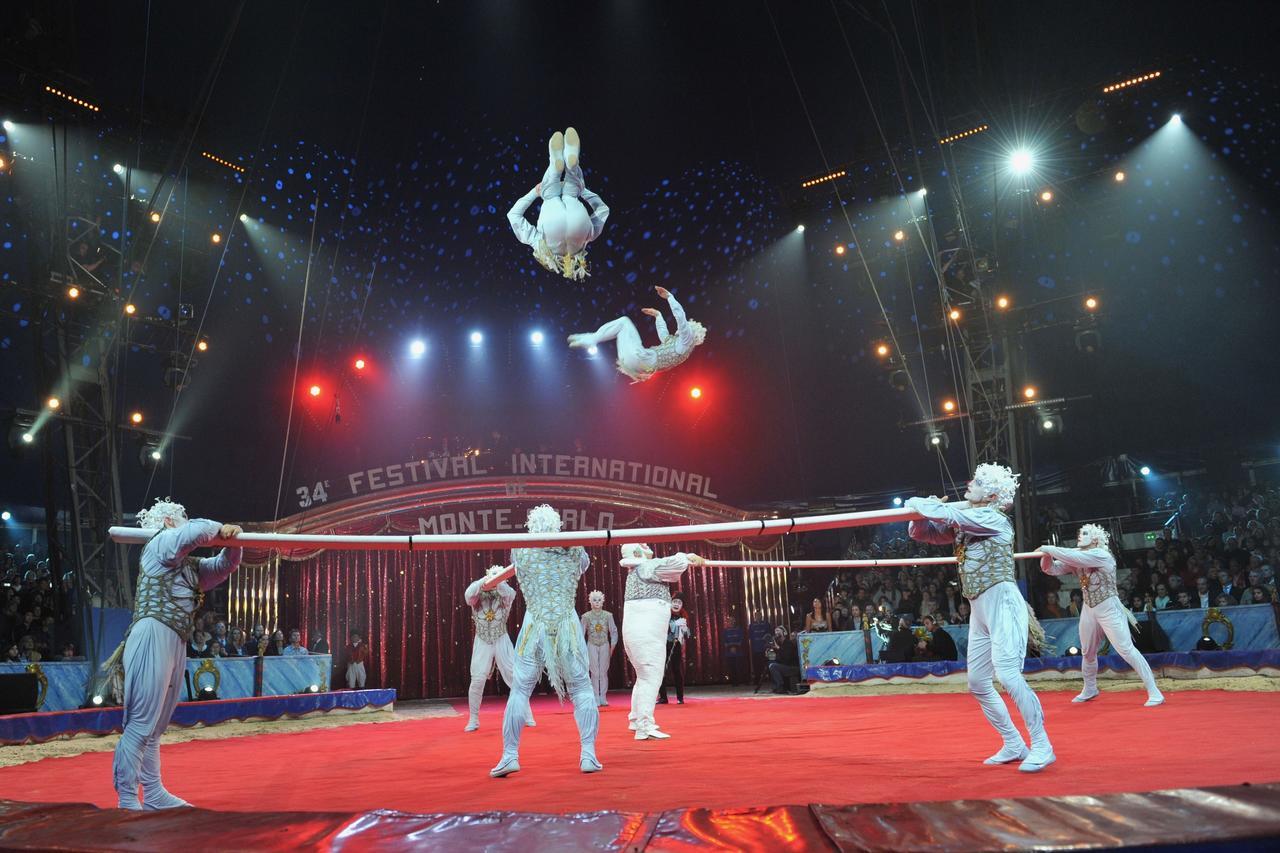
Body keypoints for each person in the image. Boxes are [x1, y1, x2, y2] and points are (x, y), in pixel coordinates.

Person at [906, 463, 1055, 773]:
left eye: (975, 482)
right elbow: (925, 533)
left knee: (1009, 676)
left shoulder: (991, 517)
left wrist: (926, 505)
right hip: (979, 608)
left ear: (989, 493)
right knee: (977, 681)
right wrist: (917, 514)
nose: (968, 483)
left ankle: (1042, 744)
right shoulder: (967, 520)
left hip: (1003, 602)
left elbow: (952, 516)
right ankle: (1013, 742)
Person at [110, 498, 243, 809]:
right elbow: (193, 533)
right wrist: (218, 528)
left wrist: (234, 543)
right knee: (141, 723)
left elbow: (223, 567)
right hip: (152, 632)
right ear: (169, 522)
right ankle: (127, 798)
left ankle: (154, 793)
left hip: (175, 639)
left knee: (156, 726)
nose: (187, 521)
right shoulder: (161, 545)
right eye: (182, 518)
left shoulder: (188, 566)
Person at [490, 505, 600, 778]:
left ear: (531, 526)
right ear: (557, 525)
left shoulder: (521, 551)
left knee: (520, 690)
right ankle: (588, 753)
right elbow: (581, 568)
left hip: (535, 623)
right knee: (581, 688)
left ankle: (509, 755)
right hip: (564, 620)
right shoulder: (575, 550)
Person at [1040, 524, 1165, 707]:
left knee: (1126, 649)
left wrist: (1051, 549)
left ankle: (1154, 691)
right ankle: (1090, 688)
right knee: (1087, 652)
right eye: (1079, 534)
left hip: (1109, 608)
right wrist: (1046, 556)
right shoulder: (1078, 559)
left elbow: (1075, 557)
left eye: (1085, 534)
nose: (1080, 536)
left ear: (1096, 538)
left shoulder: (1101, 555)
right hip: (1089, 608)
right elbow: (1050, 569)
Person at [620, 542, 706, 740]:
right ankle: (644, 725)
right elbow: (673, 564)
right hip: (645, 634)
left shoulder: (636, 571)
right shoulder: (646, 566)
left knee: (644, 677)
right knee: (650, 676)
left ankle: (636, 719)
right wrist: (688, 555)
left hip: (639, 633)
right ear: (638, 552)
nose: (648, 545)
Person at [507, 127, 609, 280]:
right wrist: (535, 192)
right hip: (551, 227)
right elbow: (513, 215)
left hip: (579, 228)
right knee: (550, 195)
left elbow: (603, 209)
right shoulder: (537, 244)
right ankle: (555, 167)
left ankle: (572, 167)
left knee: (571, 193)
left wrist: (583, 191)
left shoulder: (588, 240)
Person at [568, 287, 708, 383]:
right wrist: (658, 316)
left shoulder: (686, 341)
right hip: (636, 365)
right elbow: (664, 334)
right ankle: (591, 338)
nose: (681, 329)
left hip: (642, 359)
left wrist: (670, 297)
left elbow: (681, 318)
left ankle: (592, 338)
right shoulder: (677, 345)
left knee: (624, 322)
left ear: (692, 332)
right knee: (621, 328)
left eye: (687, 328)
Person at [463, 567, 533, 731]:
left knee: (515, 677)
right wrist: (484, 581)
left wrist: (498, 580)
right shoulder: (477, 595)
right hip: (482, 641)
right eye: (491, 576)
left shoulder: (506, 594)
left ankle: (527, 713)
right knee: (477, 679)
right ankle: (473, 718)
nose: (494, 581)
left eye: (498, 577)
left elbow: (508, 593)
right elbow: (468, 595)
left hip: (501, 639)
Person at [580, 589, 618, 707]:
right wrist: (582, 649)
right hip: (591, 644)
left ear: (602, 601)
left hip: (604, 644)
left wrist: (612, 646)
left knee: (603, 672)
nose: (597, 602)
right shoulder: (586, 616)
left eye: (599, 600)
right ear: (590, 602)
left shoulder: (608, 615)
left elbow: (614, 631)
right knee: (594, 672)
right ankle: (595, 696)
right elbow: (581, 634)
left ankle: (603, 696)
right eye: (594, 600)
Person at [658, 596, 690, 705]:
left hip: (676, 645)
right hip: (664, 645)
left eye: (679, 602)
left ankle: (680, 698)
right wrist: (674, 624)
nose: (676, 604)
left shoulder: (683, 617)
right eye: (674, 601)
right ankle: (663, 697)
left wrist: (685, 629)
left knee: (677, 670)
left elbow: (687, 635)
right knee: (662, 671)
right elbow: (663, 627)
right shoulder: (665, 615)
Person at [768, 628, 801, 693]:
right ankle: (776, 687)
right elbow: (776, 658)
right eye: (775, 631)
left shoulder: (788, 643)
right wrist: (769, 654)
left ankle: (780, 687)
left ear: (784, 633)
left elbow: (787, 658)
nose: (776, 632)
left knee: (773, 666)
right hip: (785, 666)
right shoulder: (779, 644)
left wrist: (778, 648)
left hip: (792, 667)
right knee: (771, 663)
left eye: (778, 630)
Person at [721, 614, 746, 685]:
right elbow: (725, 641)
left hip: (738, 651)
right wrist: (731, 647)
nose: (731, 622)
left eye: (732, 620)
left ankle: (739, 681)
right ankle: (733, 681)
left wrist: (735, 647)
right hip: (729, 652)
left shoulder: (739, 629)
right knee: (731, 667)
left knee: (738, 666)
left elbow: (741, 640)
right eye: (729, 620)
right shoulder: (725, 631)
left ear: (735, 621)